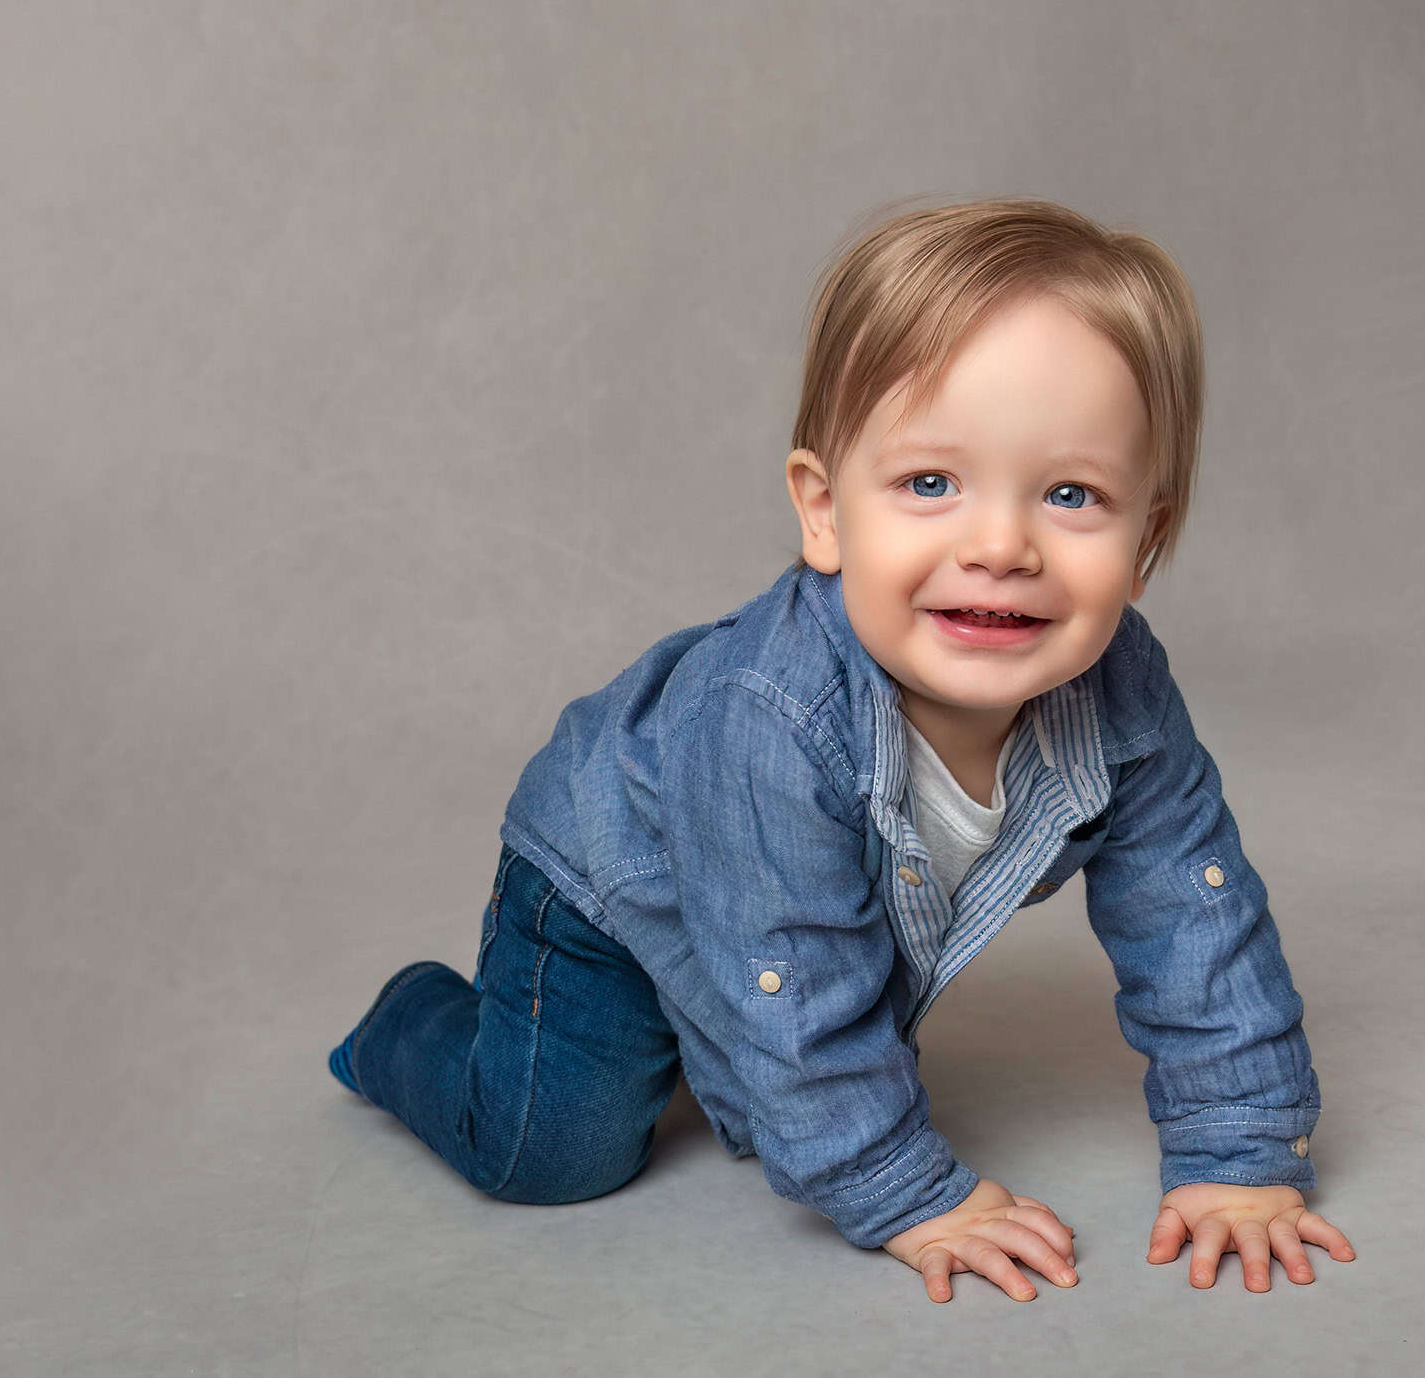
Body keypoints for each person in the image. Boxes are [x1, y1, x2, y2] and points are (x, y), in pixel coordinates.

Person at [327, 196, 1357, 1302]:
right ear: (824, 513)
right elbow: (795, 980)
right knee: (553, 1151)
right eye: (929, 483)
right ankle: (411, 1024)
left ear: (1144, 539)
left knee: (812, 1006)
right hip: (612, 884)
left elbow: (1192, 907)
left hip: (773, 921)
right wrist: (904, 1189)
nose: (1000, 546)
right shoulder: (768, 718)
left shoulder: (1119, 690)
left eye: (1069, 495)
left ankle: (705, 1044)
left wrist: (1238, 1149)